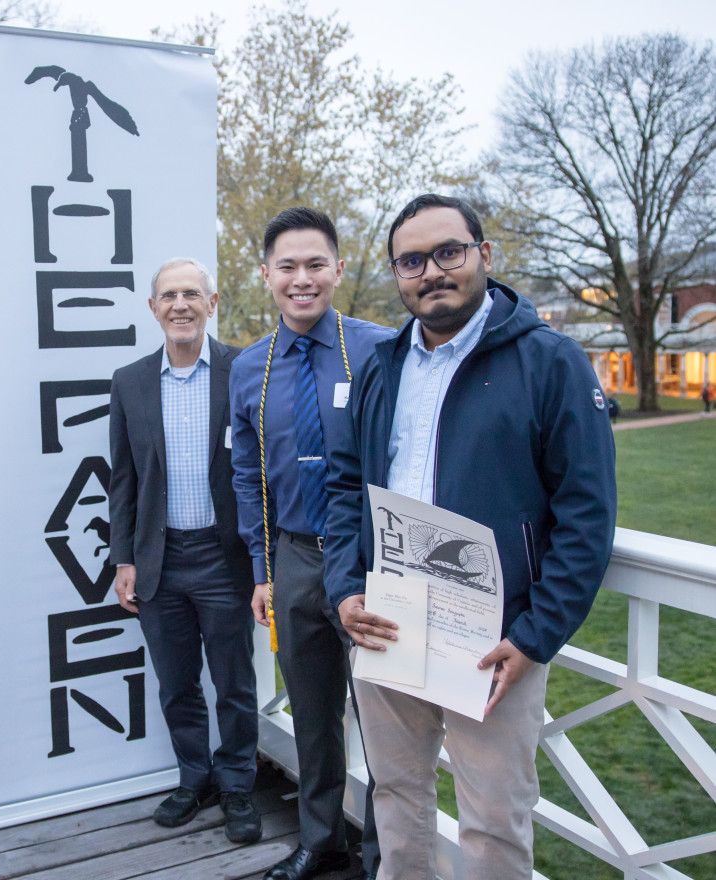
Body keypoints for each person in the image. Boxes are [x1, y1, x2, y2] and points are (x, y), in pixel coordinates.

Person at [323, 194, 617, 880]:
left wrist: (537, 634)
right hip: (389, 618)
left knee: (492, 818)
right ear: (397, 274)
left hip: (495, 636)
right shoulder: (383, 365)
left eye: (448, 252)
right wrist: (344, 586)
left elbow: (587, 513)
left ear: (484, 254)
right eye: (412, 260)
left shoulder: (551, 362)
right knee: (395, 796)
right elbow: (343, 488)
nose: (431, 271)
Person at [230, 207, 392, 880]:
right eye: (287, 266)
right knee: (313, 714)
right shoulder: (249, 369)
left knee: (387, 722)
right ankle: (321, 839)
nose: (302, 279)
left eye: (315, 264)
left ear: (338, 268)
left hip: (376, 565)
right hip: (294, 558)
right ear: (266, 275)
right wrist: (263, 569)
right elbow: (247, 474)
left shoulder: (381, 349)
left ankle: (389, 854)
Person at [109, 258, 262, 844]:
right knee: (177, 684)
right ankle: (194, 776)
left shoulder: (243, 370)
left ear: (212, 302)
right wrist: (125, 558)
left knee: (235, 684)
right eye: (168, 295)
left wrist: (262, 562)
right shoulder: (129, 381)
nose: (180, 305)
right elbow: (123, 480)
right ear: (153, 308)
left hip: (225, 560)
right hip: (159, 562)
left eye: (191, 294)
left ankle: (238, 787)